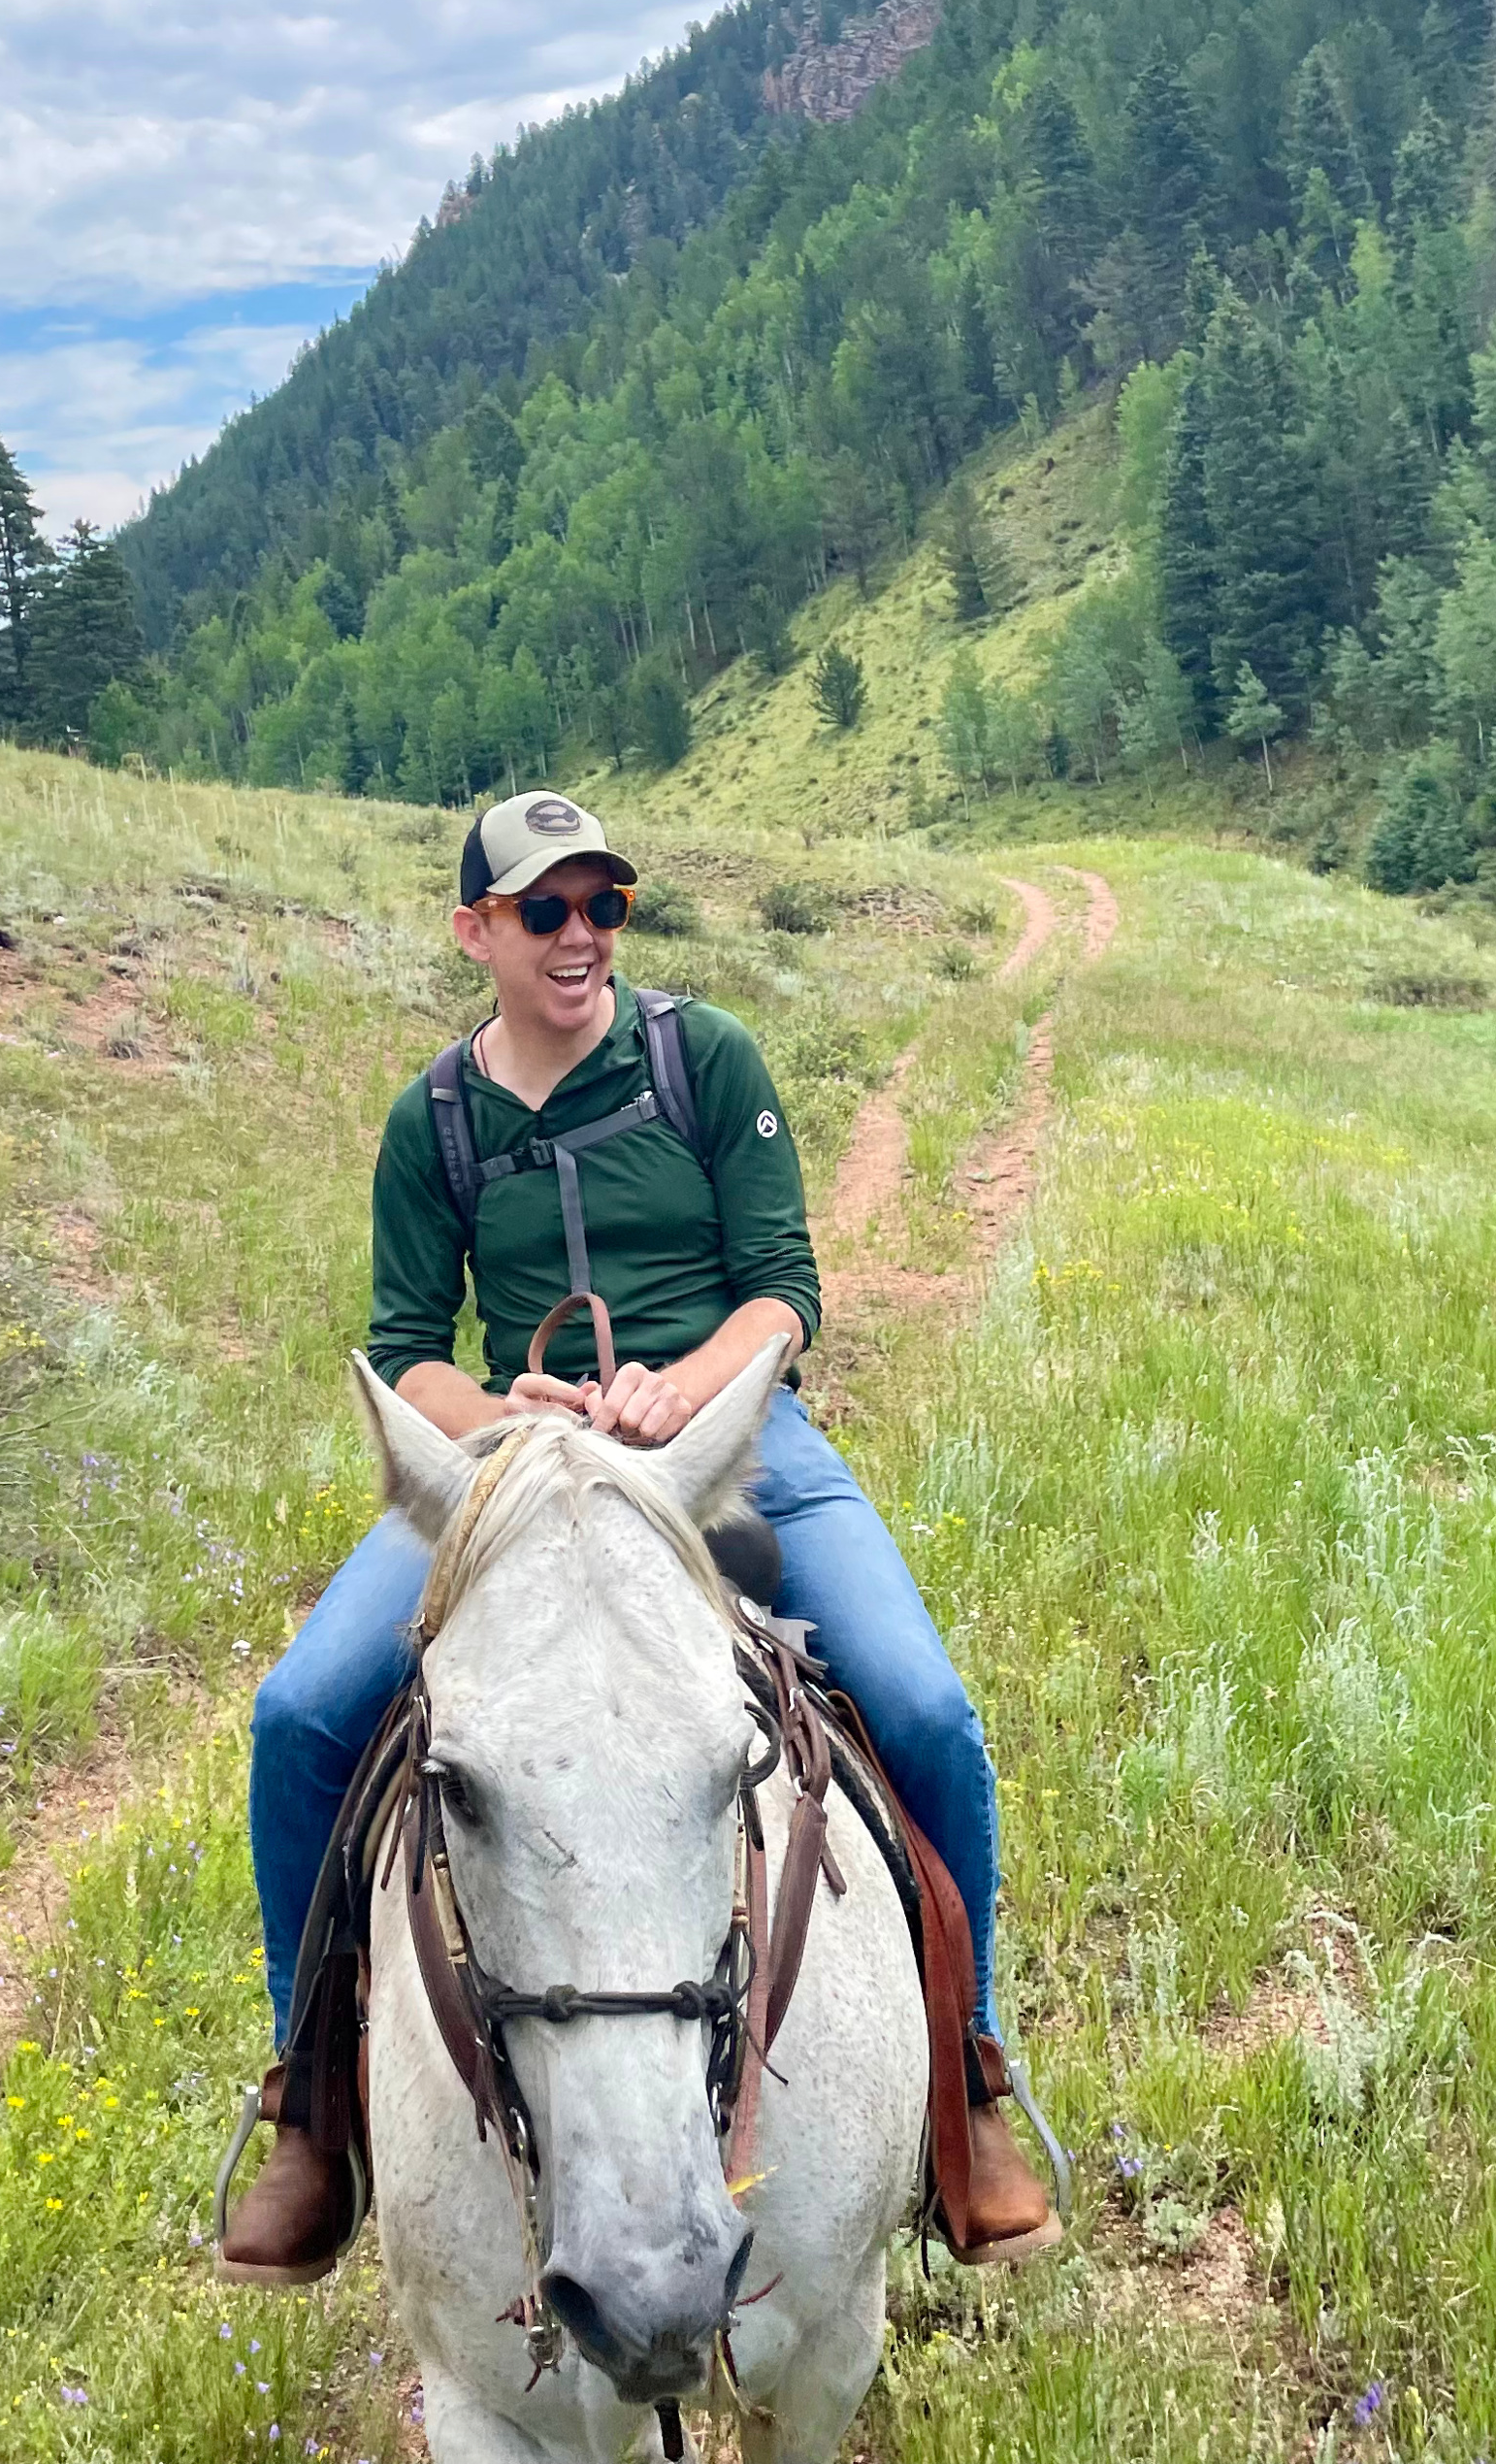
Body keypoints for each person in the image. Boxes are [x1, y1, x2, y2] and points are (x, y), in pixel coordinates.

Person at [222, 790, 1059, 2281]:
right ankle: (314, 2107)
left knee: (925, 1709)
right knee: (300, 1717)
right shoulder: (433, 1123)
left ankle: (969, 2080)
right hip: (520, 1465)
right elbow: (406, 1351)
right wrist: (503, 1412)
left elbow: (785, 1291)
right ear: (475, 930)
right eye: (546, 910)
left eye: (603, 905)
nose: (582, 936)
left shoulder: (702, 1058)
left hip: (735, 1444)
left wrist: (688, 1388)